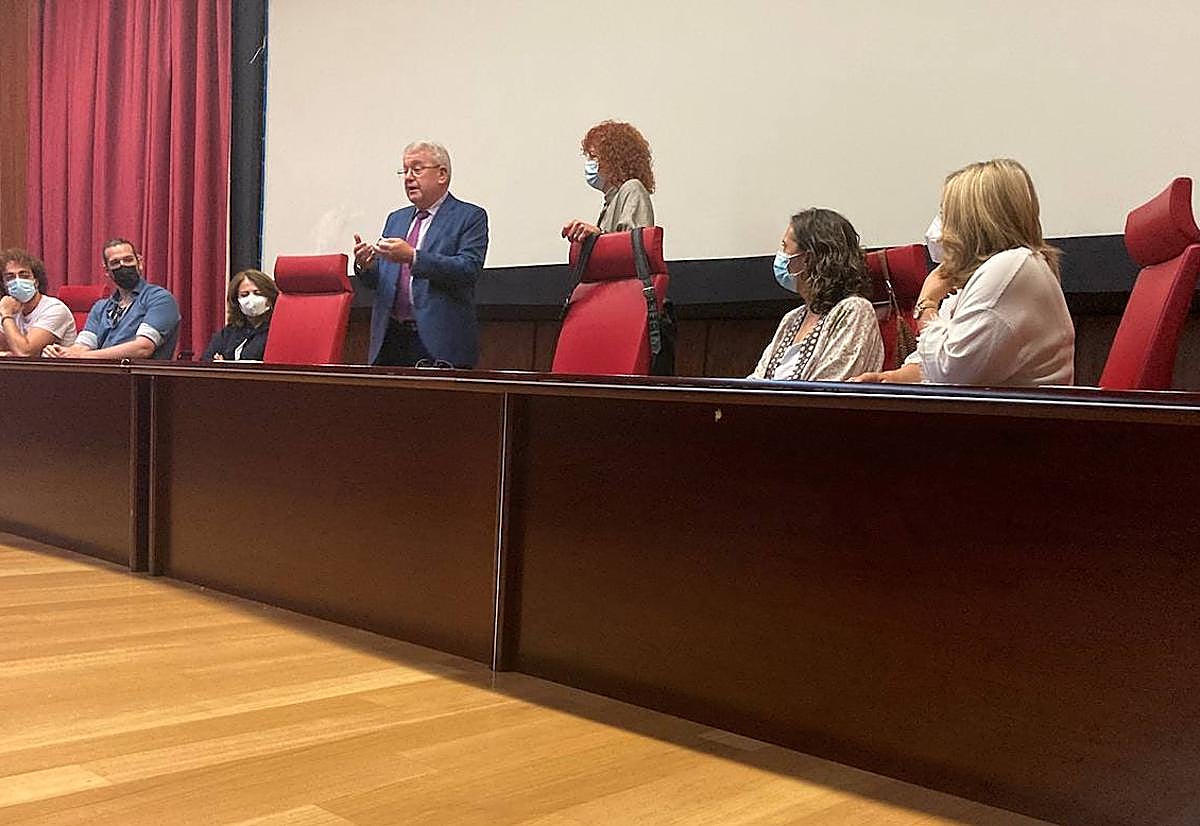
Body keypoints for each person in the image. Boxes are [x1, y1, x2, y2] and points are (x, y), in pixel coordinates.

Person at [852, 158, 1074, 386]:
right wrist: (887, 379)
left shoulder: (1011, 267)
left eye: (945, 214)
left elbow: (949, 371)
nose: (940, 228)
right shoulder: (977, 278)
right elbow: (927, 365)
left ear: (972, 221)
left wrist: (926, 303)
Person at [352, 140, 489, 368]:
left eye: (416, 169)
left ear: (442, 174)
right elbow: (383, 281)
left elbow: (468, 269)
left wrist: (413, 257)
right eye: (404, 171)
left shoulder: (470, 217)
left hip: (439, 344)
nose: (407, 177)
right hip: (390, 339)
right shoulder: (395, 219)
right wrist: (366, 266)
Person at [749, 208, 883, 381]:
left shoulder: (855, 310)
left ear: (808, 259)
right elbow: (757, 380)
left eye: (785, 247)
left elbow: (830, 388)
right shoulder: (792, 318)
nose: (780, 256)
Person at [44, 238, 180, 360]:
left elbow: (143, 348)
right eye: (115, 263)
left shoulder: (160, 299)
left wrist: (84, 356)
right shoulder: (100, 307)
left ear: (139, 263)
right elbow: (82, 346)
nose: (123, 266)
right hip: (102, 378)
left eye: (128, 260)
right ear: (107, 271)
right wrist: (59, 352)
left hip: (141, 381)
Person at [562, 120, 655, 242]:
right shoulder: (611, 203)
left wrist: (598, 236)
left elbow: (634, 248)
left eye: (594, 157)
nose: (589, 164)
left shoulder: (632, 189)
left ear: (613, 160)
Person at [0, 248, 76, 356]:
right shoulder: (9, 306)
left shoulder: (54, 309)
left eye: (24, 276)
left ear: (35, 282)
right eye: (10, 277)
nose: (17, 281)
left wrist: (6, 315)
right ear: (4, 285)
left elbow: (25, 352)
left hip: (55, 371)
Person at [201, 269, 278, 361]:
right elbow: (207, 360)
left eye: (258, 293)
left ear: (270, 297)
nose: (251, 299)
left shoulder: (277, 331)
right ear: (236, 301)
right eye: (244, 295)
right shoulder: (228, 333)